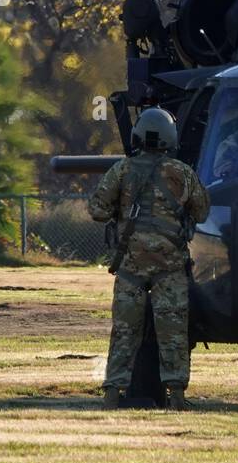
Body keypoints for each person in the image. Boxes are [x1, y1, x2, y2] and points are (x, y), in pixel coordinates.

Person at [88, 107, 210, 410]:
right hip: (170, 268)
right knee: (173, 333)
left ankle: (113, 393)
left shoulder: (122, 170)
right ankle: (177, 396)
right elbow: (203, 211)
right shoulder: (181, 173)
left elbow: (97, 210)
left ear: (138, 136)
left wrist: (123, 212)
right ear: (170, 137)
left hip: (131, 267)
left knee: (124, 332)